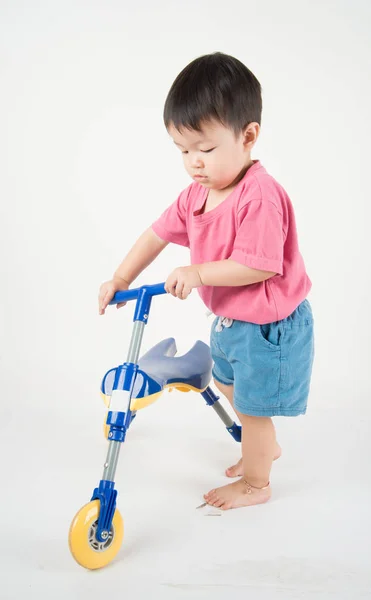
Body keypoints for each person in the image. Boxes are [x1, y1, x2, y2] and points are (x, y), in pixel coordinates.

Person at [98, 52, 315, 510]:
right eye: (183, 150)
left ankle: (258, 481)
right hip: (233, 322)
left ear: (248, 135)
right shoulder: (198, 193)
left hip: (268, 327)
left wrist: (197, 273)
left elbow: (259, 265)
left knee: (254, 411)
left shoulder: (259, 196)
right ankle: (263, 447)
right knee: (229, 385)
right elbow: (157, 233)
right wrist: (121, 276)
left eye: (205, 148)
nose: (193, 162)